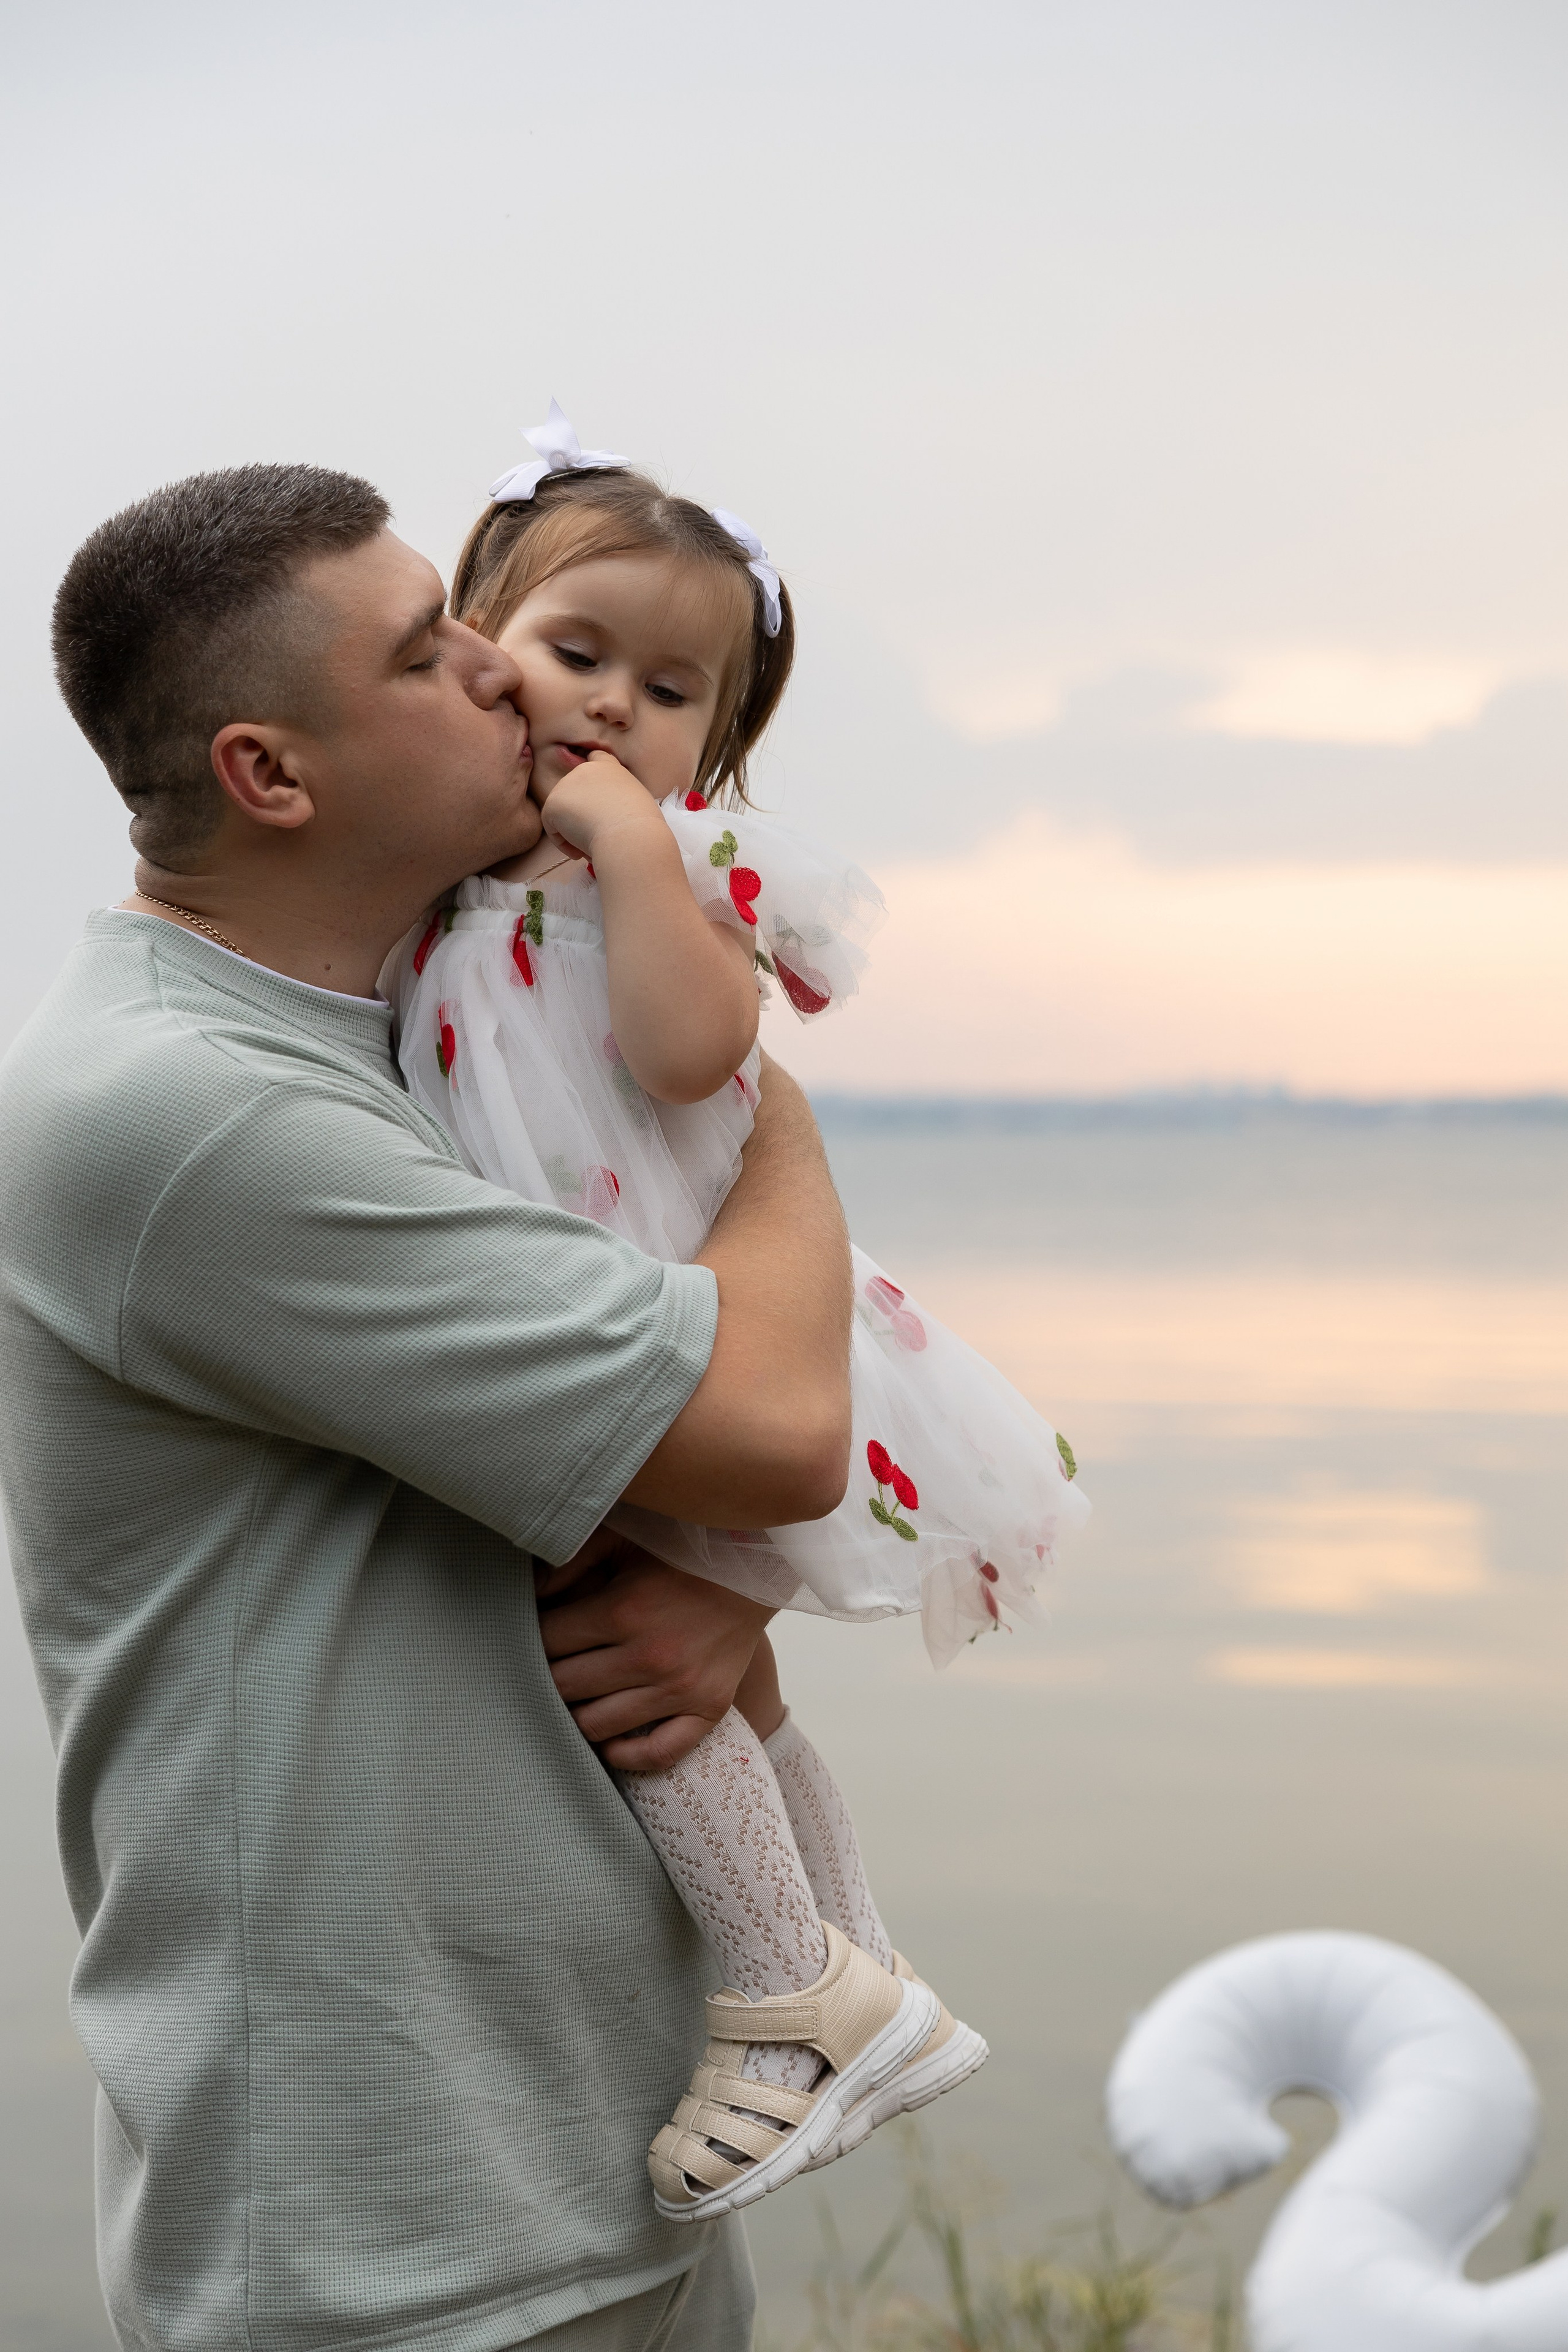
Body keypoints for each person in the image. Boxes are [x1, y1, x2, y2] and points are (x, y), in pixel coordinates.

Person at [0, 462, 867, 2352]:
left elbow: (674, 1424)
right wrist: (772, 1109)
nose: (499, 670)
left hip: (603, 2146)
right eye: (429, 651)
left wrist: (742, 1586)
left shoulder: (412, 1027)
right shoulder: (182, 1113)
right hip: (395, 2244)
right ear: (271, 774)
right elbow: (783, 1421)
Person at [388, 411, 1091, 2222]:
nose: (616, 707)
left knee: (631, 1643)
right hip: (596, 1301)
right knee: (725, 1671)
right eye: (576, 654)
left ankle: (786, 1997)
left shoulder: (679, 878)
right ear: (479, 650)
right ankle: (857, 1973)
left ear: (722, 746)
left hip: (679, 1308)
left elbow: (696, 1051)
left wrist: (632, 845)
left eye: (675, 690)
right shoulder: (450, 887)